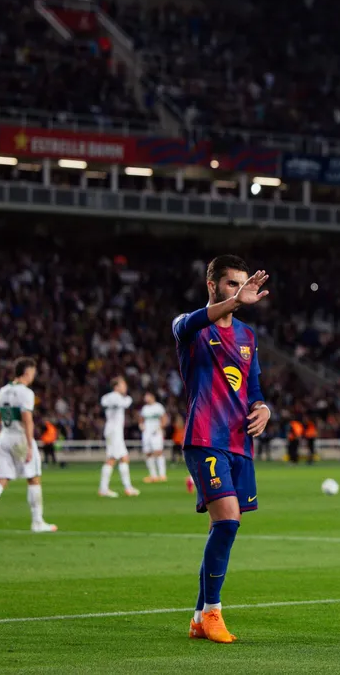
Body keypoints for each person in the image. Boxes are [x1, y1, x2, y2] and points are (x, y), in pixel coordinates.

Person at [174, 255, 271, 644]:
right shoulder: (190, 327)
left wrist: (263, 409)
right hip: (205, 437)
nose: (240, 291)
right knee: (228, 521)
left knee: (224, 526)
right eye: (232, 284)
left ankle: (199, 618)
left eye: (243, 285)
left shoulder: (247, 336)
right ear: (211, 285)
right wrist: (234, 302)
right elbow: (191, 323)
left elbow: (254, 389)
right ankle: (213, 611)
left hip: (239, 443)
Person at [0, 358, 57, 534]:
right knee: (33, 478)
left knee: (1, 480)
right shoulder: (26, 393)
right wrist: (29, 445)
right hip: (20, 437)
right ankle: (37, 522)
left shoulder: (2, 391)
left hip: (5, 436)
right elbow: (27, 419)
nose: (34, 376)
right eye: (33, 373)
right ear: (27, 373)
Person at [98, 377, 139, 498]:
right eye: (123, 385)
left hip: (113, 430)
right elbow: (126, 403)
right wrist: (128, 398)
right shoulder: (116, 397)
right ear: (116, 387)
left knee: (123, 458)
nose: (125, 387)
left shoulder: (107, 397)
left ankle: (127, 487)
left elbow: (103, 402)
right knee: (112, 459)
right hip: (114, 432)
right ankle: (104, 488)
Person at [140, 392, 169, 483]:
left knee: (158, 452)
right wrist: (141, 425)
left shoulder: (158, 407)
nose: (146, 398)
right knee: (148, 453)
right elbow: (141, 419)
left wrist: (160, 427)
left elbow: (165, 418)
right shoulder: (144, 408)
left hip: (156, 432)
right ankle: (153, 475)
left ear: (152, 397)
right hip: (146, 433)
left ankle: (162, 475)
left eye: (147, 396)